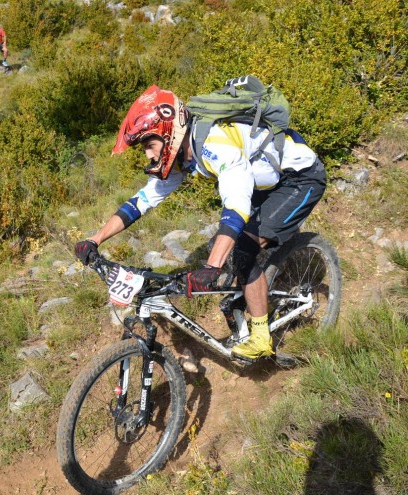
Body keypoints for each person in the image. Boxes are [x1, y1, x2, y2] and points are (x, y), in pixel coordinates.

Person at [74, 85, 326, 363]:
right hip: (262, 182)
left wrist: (211, 267)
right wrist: (95, 239)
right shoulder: (184, 153)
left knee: (244, 248)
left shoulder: (216, 145)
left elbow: (237, 207)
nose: (147, 154)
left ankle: (260, 338)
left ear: (169, 134)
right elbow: (141, 201)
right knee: (234, 247)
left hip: (299, 179)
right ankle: (250, 293)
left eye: (148, 145)